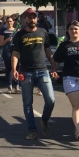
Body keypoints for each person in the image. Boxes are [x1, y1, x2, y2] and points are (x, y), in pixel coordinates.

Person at [12, 8, 58, 140]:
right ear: (25, 19)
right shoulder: (20, 35)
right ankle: (32, 130)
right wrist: (14, 69)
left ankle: (44, 120)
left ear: (36, 19)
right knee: (27, 103)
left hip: (43, 71)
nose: (32, 19)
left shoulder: (43, 32)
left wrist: (54, 67)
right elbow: (15, 54)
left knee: (50, 100)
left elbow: (49, 52)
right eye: (29, 17)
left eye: (34, 17)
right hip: (26, 73)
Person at [0, 16, 19, 93]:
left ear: (13, 22)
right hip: (7, 51)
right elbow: (1, 43)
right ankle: (9, 86)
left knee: (17, 68)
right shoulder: (3, 31)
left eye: (11, 21)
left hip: (16, 51)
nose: (9, 23)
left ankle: (17, 85)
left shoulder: (17, 31)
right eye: (8, 21)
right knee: (9, 68)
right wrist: (7, 40)